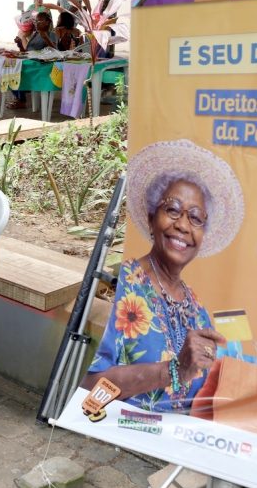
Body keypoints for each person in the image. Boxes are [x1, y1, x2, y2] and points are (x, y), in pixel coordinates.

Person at [82, 140, 245, 413]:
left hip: (177, 446)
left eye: (195, 218)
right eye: (172, 210)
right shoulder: (125, 287)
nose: (182, 225)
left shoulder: (196, 308)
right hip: (120, 440)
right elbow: (90, 395)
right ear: (151, 218)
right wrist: (173, 370)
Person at [7, 11, 57, 109]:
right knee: (9, 67)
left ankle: (21, 100)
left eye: (39, 21)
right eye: (36, 21)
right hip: (29, 61)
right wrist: (20, 44)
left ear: (47, 22)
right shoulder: (35, 34)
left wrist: (45, 37)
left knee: (18, 71)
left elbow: (55, 51)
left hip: (40, 65)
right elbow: (27, 51)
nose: (36, 23)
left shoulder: (51, 35)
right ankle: (19, 97)